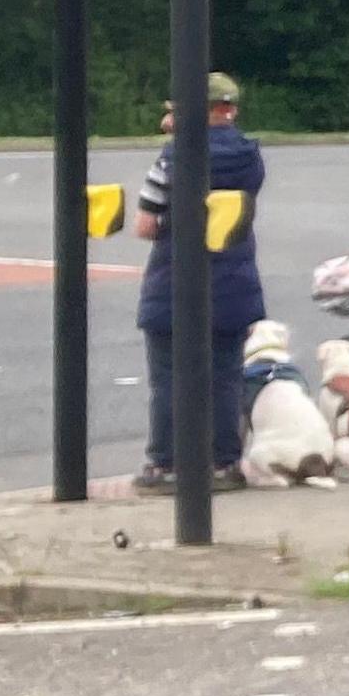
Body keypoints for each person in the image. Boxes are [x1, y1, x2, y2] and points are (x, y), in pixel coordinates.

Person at [128, 71, 264, 495]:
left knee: (169, 377)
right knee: (225, 376)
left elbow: (146, 225)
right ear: (231, 109)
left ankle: (166, 464)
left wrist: (175, 138)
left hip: (176, 280)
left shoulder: (173, 157)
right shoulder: (250, 158)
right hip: (234, 280)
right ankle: (225, 462)